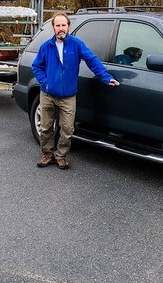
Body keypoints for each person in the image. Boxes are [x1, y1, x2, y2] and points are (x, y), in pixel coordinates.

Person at [31, 13, 119, 170]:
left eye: (63, 25)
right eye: (57, 26)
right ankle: (47, 155)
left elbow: (92, 60)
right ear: (53, 28)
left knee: (67, 129)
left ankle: (61, 155)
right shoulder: (46, 46)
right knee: (46, 127)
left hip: (68, 96)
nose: (61, 29)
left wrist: (106, 77)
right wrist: (46, 83)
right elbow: (36, 66)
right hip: (48, 94)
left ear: (68, 26)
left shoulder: (76, 44)